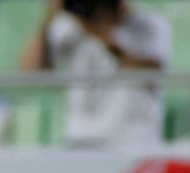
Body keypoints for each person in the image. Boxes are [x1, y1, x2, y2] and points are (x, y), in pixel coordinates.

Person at [18, 0, 170, 147]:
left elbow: (150, 74)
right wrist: (51, 15)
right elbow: (29, 73)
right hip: (81, 141)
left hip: (132, 141)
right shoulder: (69, 28)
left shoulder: (147, 25)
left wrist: (100, 32)